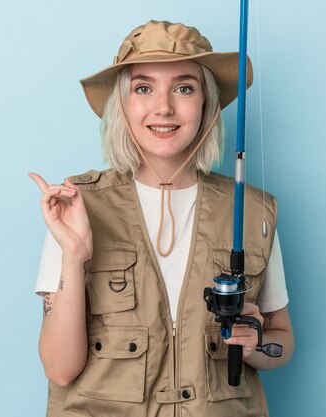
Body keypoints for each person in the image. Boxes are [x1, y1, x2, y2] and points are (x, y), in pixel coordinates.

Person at [29, 20, 294, 417]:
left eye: (184, 88)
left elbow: (282, 342)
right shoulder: (77, 206)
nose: (164, 106)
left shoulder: (253, 211)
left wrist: (256, 345)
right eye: (143, 87)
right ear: (122, 104)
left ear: (206, 102)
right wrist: (74, 254)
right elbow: (60, 369)